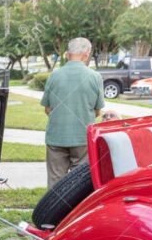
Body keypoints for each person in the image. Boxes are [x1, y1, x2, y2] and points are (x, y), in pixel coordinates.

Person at [40, 37, 104, 189]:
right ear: (86, 54)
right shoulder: (95, 77)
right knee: (79, 184)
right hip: (82, 137)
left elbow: (47, 108)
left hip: (56, 136)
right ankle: (77, 212)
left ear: (68, 54)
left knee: (55, 181)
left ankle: (55, 212)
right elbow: (97, 111)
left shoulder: (54, 76)